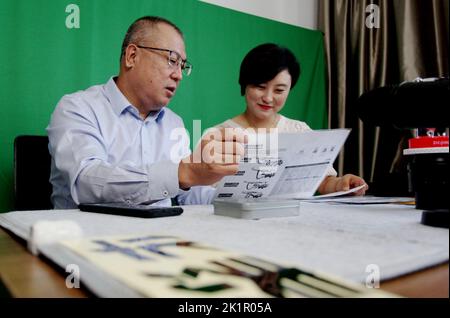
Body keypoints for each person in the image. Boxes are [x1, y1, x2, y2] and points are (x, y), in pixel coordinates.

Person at [47, 16, 244, 209]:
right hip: (87, 236)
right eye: (172, 60)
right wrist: (183, 172)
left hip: (162, 235)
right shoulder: (77, 108)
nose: (178, 75)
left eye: (182, 66)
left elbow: (186, 192)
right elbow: (86, 182)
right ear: (132, 56)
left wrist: (239, 195)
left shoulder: (174, 122)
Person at [215, 43, 367, 195]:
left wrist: (342, 184)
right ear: (245, 83)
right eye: (260, 87)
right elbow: (206, 192)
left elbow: (322, 182)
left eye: (279, 90)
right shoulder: (220, 135)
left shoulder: (299, 131)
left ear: (289, 89)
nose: (268, 98)